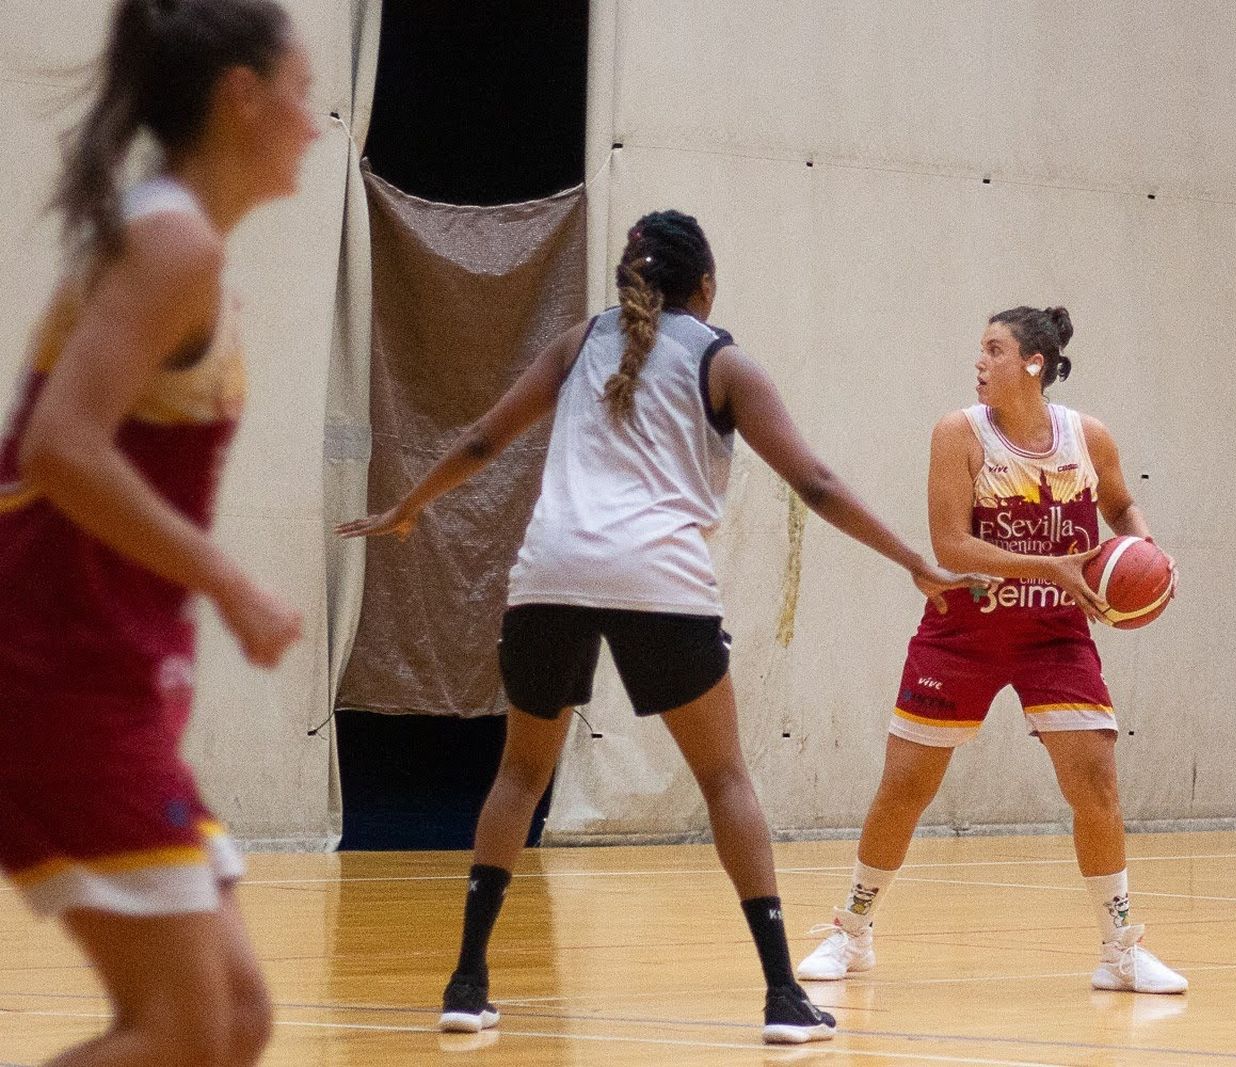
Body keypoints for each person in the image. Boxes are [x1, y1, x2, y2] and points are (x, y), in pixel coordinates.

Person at [339, 209, 989, 1044]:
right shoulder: (723, 361)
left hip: (550, 574)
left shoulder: (576, 345)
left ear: (627, 282)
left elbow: (480, 439)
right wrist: (913, 559)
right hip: (659, 579)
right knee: (724, 779)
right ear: (706, 286)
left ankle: (466, 982)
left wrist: (407, 508)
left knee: (519, 777)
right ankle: (783, 996)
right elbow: (817, 483)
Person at [0, 2, 319, 1064]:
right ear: (242, 98)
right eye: (300, 94)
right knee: (181, 1028)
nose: (312, 123)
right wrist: (231, 584)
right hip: (53, 672)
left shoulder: (184, 243)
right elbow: (60, 447)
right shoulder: (172, 238)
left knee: (233, 1020)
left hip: (108, 671)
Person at [795, 305, 1188, 995]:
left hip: (1054, 635)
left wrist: (1147, 550)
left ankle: (1119, 950)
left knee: (1096, 786)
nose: (979, 361)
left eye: (994, 349)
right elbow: (951, 545)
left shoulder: (1087, 437)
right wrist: (1058, 568)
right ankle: (852, 932)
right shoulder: (959, 433)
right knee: (905, 788)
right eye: (980, 348)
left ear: (1033, 364)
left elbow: (1121, 508)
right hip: (963, 630)